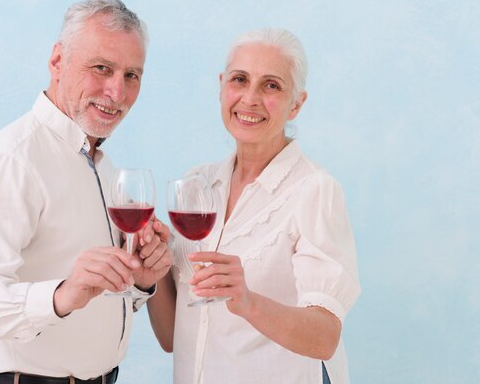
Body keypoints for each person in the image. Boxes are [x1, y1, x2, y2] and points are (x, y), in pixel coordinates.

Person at [0, 0, 172, 384]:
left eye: (131, 75)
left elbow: (106, 298)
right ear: (57, 61)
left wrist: (140, 279)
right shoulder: (11, 159)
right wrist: (61, 295)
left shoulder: (105, 169)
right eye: (101, 68)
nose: (117, 93)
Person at [147, 28, 361, 384]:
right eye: (240, 79)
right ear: (221, 86)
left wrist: (247, 301)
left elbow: (325, 338)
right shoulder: (198, 183)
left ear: (297, 102)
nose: (250, 98)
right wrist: (153, 270)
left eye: (271, 85)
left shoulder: (315, 191)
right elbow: (173, 337)